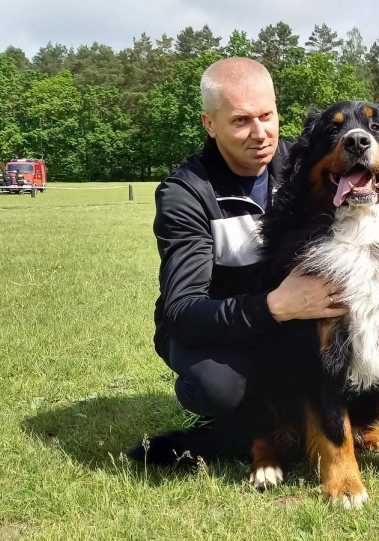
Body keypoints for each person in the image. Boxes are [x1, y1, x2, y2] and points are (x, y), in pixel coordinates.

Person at [148, 58, 348, 436]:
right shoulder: (186, 193)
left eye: (267, 116)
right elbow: (183, 312)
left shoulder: (304, 167)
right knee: (216, 387)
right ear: (210, 123)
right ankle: (229, 408)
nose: (260, 133)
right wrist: (275, 306)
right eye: (241, 121)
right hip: (215, 327)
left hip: (290, 320)